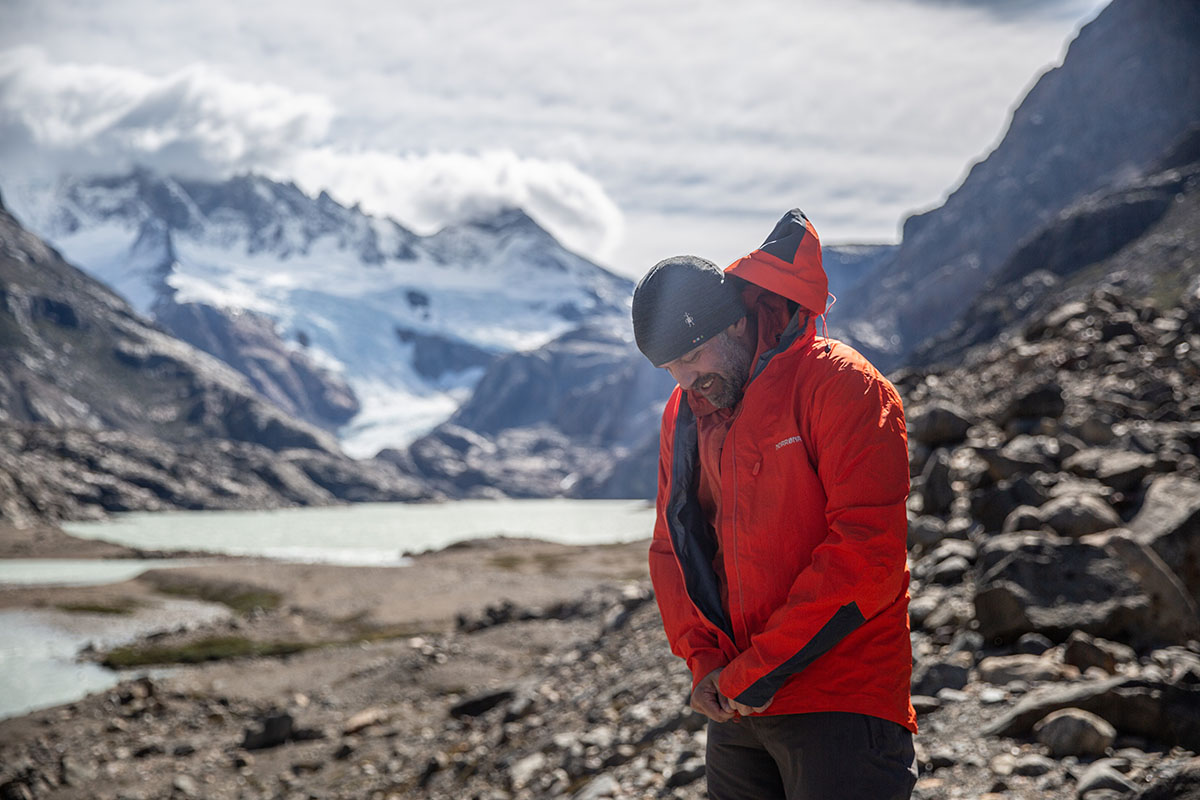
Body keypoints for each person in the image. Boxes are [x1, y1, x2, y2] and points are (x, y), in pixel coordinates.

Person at [630, 209, 918, 799]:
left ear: (733, 325)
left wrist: (757, 669)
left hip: (842, 696)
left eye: (691, 357)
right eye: (669, 369)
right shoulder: (686, 413)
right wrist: (704, 661)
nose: (684, 381)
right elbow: (673, 545)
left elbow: (868, 552)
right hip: (740, 703)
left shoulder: (841, 385)